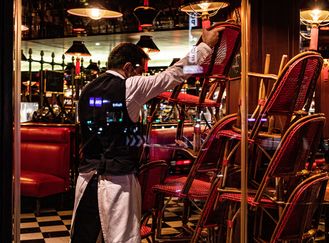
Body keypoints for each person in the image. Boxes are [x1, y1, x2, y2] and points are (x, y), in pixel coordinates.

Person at [70, 26, 225, 243]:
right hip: (117, 181)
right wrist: (204, 46)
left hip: (86, 179)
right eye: (141, 71)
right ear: (127, 67)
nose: (142, 76)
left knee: (85, 237)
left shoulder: (87, 89)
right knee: (120, 239)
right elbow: (175, 73)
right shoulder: (130, 85)